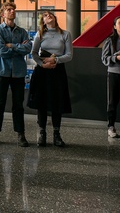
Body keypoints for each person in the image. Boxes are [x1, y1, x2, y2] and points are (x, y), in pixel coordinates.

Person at [0, 1, 32, 147]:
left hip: (18, 73)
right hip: (1, 72)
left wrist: (11, 45)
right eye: (8, 9)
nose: (12, 11)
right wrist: (18, 48)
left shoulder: (22, 32)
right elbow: (0, 51)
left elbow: (27, 49)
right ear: (3, 14)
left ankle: (21, 135)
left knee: (18, 105)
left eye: (13, 9)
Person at [27, 11, 73, 147]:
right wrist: (42, 64)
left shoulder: (65, 34)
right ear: (43, 21)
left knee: (57, 103)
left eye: (50, 14)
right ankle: (42, 133)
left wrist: (56, 60)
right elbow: (33, 53)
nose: (49, 16)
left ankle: (56, 134)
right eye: (45, 15)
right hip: (42, 70)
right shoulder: (40, 34)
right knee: (41, 102)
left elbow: (69, 55)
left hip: (57, 70)